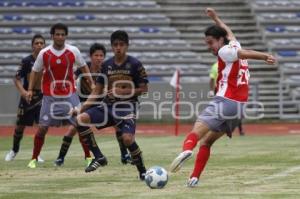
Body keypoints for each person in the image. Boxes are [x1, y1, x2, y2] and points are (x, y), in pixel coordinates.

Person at [170, 7, 276, 187]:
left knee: (196, 131)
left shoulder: (225, 51)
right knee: (207, 142)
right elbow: (230, 33)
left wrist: (264, 56)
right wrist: (216, 18)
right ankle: (194, 178)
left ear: (220, 40)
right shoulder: (234, 44)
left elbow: (242, 53)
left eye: (210, 42)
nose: (209, 46)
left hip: (225, 101)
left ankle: (187, 150)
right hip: (239, 108)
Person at [75, 30, 148, 180]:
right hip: (108, 107)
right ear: (112, 46)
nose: (118, 48)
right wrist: (81, 108)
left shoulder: (135, 64)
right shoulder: (107, 65)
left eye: (121, 44)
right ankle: (99, 157)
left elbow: (144, 89)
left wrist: (123, 91)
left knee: (127, 139)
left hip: (128, 106)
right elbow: (97, 91)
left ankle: (142, 171)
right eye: (115, 45)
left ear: (127, 46)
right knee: (80, 119)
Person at [26, 23, 95, 169]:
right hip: (50, 97)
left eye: (63, 34)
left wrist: (91, 83)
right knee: (42, 128)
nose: (60, 37)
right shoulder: (44, 53)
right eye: (57, 34)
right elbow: (35, 71)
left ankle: (88, 157)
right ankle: (33, 159)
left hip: (70, 95)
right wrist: (30, 89)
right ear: (52, 36)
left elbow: (83, 66)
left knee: (81, 124)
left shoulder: (73, 51)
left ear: (66, 36)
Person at [54, 43, 132, 166]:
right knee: (72, 128)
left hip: (101, 103)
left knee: (118, 126)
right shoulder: (83, 70)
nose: (99, 58)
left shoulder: (107, 69)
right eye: (96, 55)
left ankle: (124, 155)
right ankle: (60, 158)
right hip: (85, 103)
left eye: (101, 55)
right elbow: (70, 80)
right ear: (91, 56)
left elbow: (108, 86)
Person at [4, 34, 46, 162]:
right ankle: (14, 150)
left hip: (42, 98)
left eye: (41, 43)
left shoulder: (47, 60)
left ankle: (36, 154)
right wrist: (23, 92)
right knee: (20, 126)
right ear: (32, 45)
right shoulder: (27, 61)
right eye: (37, 43)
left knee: (42, 127)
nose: (39, 45)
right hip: (27, 97)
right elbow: (16, 79)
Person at [209, 62, 245, 136]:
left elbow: (212, 79)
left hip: (230, 90)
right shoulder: (217, 66)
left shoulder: (228, 64)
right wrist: (212, 90)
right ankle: (224, 129)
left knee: (234, 110)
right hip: (221, 91)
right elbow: (212, 79)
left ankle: (238, 129)